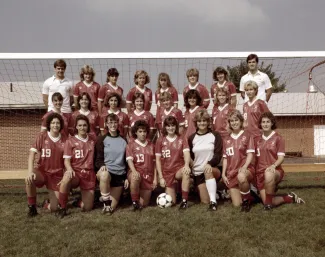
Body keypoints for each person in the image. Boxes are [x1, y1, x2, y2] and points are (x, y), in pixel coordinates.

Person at [255, 112, 305, 210]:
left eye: (268, 122)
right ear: (260, 124)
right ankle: (289, 198)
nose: (265, 124)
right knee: (267, 200)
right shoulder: (256, 139)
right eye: (263, 122)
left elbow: (281, 158)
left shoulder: (278, 138)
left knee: (268, 173)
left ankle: (268, 207)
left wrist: (273, 166)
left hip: (274, 171)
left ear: (272, 123)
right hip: (259, 173)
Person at [25, 112, 67, 216]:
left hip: (56, 175)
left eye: (57, 123)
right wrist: (30, 172)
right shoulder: (42, 136)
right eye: (53, 123)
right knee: (29, 179)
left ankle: (46, 204)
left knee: (54, 208)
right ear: (49, 124)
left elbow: (67, 160)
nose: (55, 125)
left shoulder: (65, 139)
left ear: (61, 125)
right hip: (42, 172)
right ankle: (32, 207)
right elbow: (31, 155)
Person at [57, 115, 97, 218]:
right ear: (76, 127)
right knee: (66, 178)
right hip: (76, 172)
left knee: (87, 207)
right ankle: (62, 207)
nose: (82, 127)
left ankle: (77, 202)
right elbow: (66, 160)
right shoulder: (70, 141)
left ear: (88, 126)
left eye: (84, 125)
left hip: (88, 174)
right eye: (80, 125)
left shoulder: (93, 140)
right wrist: (69, 169)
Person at [188, 109, 223, 210]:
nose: (202, 123)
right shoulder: (191, 138)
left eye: (204, 120)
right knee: (204, 201)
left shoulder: (215, 135)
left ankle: (213, 203)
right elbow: (190, 156)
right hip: (198, 173)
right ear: (196, 123)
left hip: (212, 169)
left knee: (208, 170)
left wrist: (209, 163)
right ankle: (216, 194)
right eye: (199, 121)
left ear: (208, 122)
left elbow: (217, 154)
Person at [221, 110, 256, 211]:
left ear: (241, 121)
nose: (234, 123)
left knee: (241, 176)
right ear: (229, 123)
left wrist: (245, 166)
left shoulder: (247, 135)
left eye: (236, 120)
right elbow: (225, 159)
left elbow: (250, 154)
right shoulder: (226, 139)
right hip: (232, 172)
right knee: (236, 204)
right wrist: (223, 174)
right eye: (232, 121)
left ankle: (246, 202)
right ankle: (251, 196)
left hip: (245, 169)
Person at [95, 113, 129, 214]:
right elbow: (97, 159)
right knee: (104, 175)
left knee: (113, 206)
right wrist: (101, 166)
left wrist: (127, 176)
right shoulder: (102, 139)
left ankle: (102, 198)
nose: (113, 125)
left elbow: (126, 160)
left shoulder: (123, 140)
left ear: (118, 124)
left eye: (115, 122)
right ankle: (106, 204)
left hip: (119, 175)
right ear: (106, 124)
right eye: (110, 122)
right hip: (107, 173)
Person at [155, 116, 191, 209]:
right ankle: (177, 192)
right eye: (168, 126)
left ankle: (184, 201)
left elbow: (186, 153)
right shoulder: (160, 140)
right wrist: (161, 177)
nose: (171, 128)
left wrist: (186, 165)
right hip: (167, 172)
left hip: (178, 168)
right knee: (172, 201)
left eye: (173, 125)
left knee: (186, 172)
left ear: (176, 126)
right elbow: (158, 160)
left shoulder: (182, 138)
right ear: (165, 127)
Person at [126, 120, 157, 210]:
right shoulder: (131, 145)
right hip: (137, 172)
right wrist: (134, 171)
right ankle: (134, 202)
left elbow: (154, 163)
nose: (143, 134)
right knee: (135, 177)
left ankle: (137, 198)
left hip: (148, 176)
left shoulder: (151, 145)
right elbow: (129, 161)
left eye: (144, 131)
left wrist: (155, 179)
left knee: (144, 204)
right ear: (135, 132)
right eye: (140, 131)